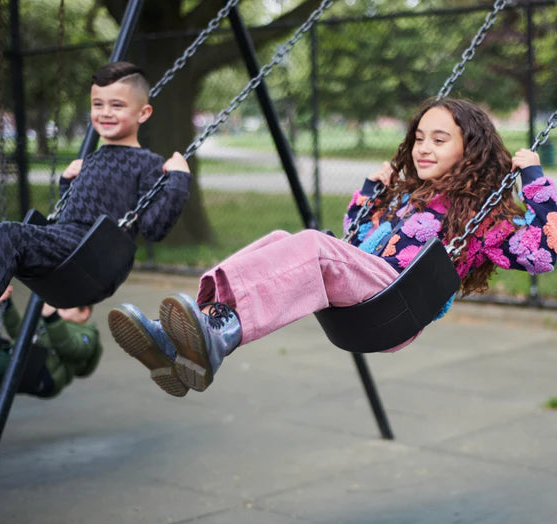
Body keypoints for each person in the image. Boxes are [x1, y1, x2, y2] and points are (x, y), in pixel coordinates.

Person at [108, 97, 557, 398]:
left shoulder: (483, 216)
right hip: (366, 287)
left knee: (312, 246)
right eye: (419, 137)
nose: (422, 148)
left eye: (439, 140)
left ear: (471, 150)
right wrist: (370, 192)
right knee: (286, 241)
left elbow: (547, 251)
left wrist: (535, 180)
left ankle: (217, 334)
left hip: (395, 302)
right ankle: (182, 337)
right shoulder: (407, 194)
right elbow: (353, 235)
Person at [0, 61, 191, 318]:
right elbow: (76, 210)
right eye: (97, 104)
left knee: (8, 233)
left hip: (93, 257)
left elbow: (153, 229)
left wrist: (178, 179)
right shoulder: (91, 159)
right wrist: (68, 183)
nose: (105, 113)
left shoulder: (149, 164)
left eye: (117, 105)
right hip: (65, 242)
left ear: (143, 113)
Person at [0, 286, 103, 398]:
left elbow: (70, 347)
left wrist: (52, 317)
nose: (60, 307)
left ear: (84, 312)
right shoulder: (47, 323)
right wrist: (6, 304)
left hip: (42, 372)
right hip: (23, 360)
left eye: (66, 306)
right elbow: (20, 333)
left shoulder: (88, 335)